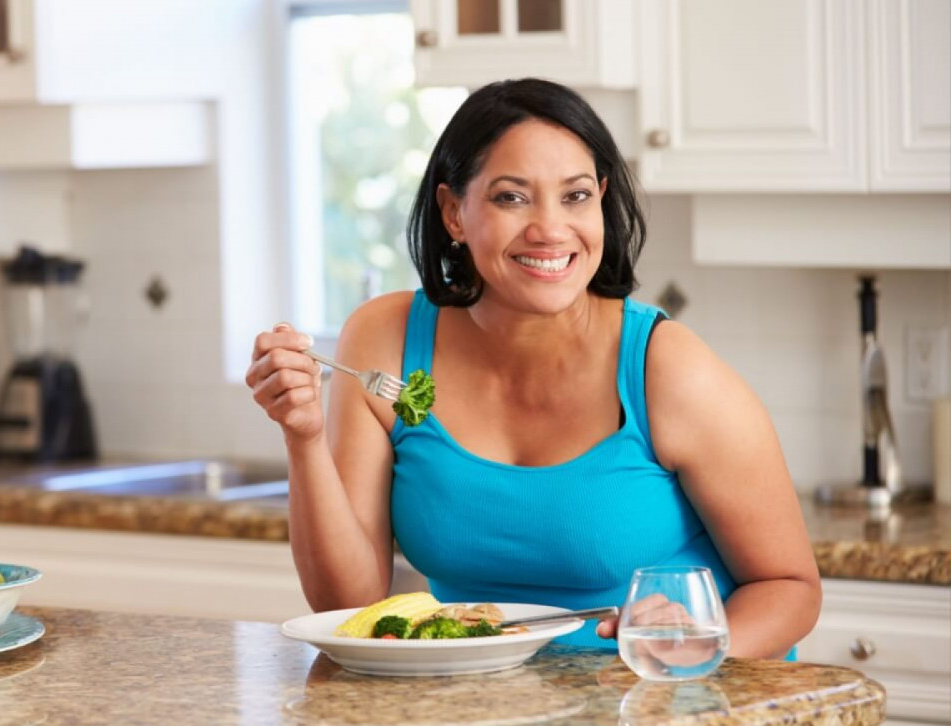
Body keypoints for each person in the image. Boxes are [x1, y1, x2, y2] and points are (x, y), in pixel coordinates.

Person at [246, 78, 820, 657]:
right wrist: (304, 436)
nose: (549, 229)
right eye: (511, 198)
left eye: (576, 196)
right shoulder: (384, 339)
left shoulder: (664, 367)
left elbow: (790, 587)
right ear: (453, 213)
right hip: (481, 697)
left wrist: (693, 649)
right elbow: (347, 602)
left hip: (667, 691)